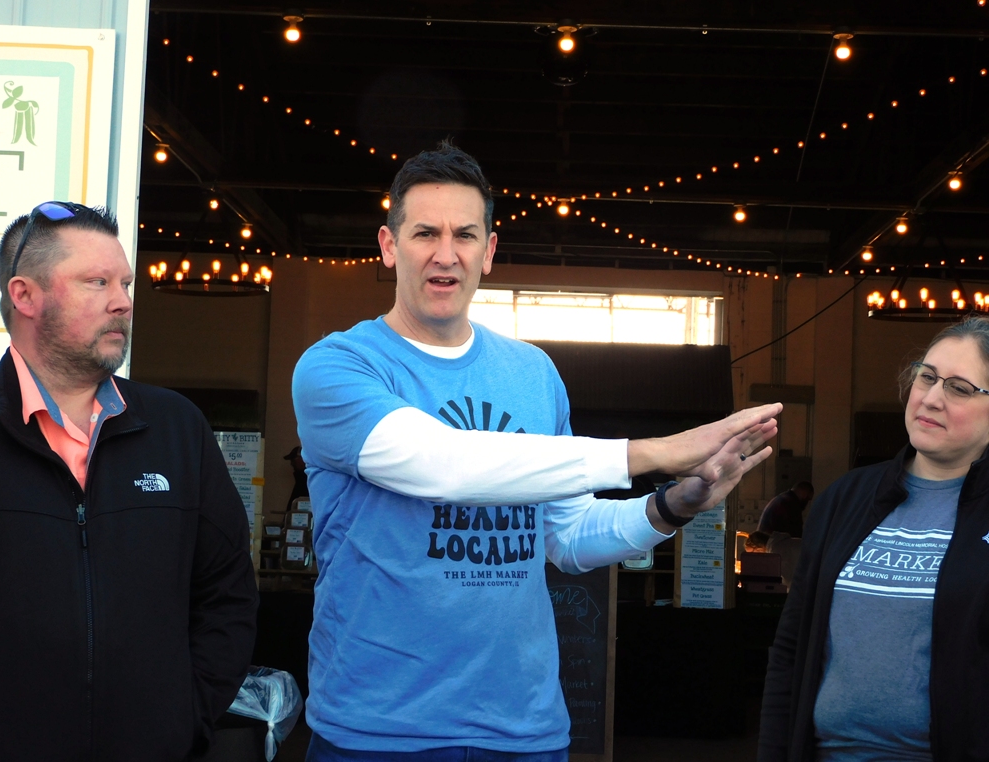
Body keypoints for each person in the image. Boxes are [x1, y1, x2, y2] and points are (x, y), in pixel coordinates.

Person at [292, 141, 782, 760]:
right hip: (380, 732)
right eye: (424, 234)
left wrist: (672, 505)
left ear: (489, 251)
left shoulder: (532, 373)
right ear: (389, 246)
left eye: (466, 235)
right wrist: (656, 451)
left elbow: (566, 536)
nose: (446, 254)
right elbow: (442, 465)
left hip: (524, 730)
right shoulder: (338, 366)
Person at [0, 202, 259, 761]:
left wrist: (184, 717)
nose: (123, 301)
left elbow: (227, 594)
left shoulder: (177, 428)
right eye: (96, 282)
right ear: (25, 295)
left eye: (124, 283)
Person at [759, 316, 989, 761]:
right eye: (927, 377)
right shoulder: (845, 498)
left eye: (959, 388)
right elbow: (791, 648)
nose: (931, 398)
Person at [284, 444, 310, 510]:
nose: (292, 464)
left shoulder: (307, 480)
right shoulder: (300, 479)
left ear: (303, 459)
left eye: (293, 460)